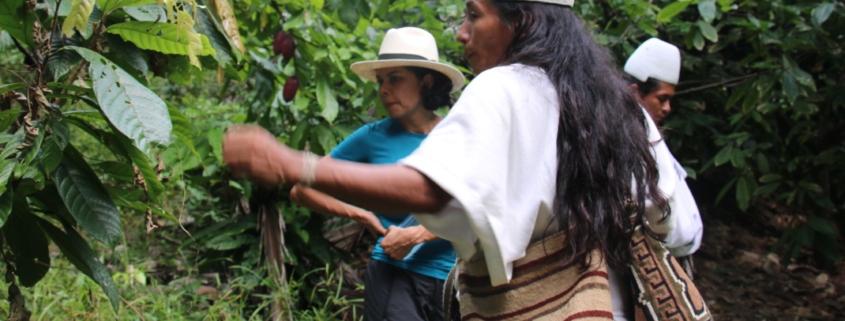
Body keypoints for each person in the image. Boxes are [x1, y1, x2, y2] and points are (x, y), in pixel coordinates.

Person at [222, 1, 709, 319]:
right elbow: (681, 225)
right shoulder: (616, 106)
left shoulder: (505, 87)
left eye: (474, 15)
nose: (462, 33)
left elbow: (434, 191)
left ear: (520, 20)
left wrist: (291, 162)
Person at [288, 27, 464, 321]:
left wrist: (418, 234)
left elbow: (485, 202)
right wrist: (361, 215)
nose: (383, 89)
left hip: (457, 282)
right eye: (382, 80)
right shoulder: (371, 137)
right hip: (395, 280)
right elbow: (302, 189)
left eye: (396, 79)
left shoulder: (457, 135)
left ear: (427, 82)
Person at [609, 38, 705, 321]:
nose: (667, 108)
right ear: (636, 92)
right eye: (661, 98)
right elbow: (662, 216)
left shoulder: (639, 133)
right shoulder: (629, 131)